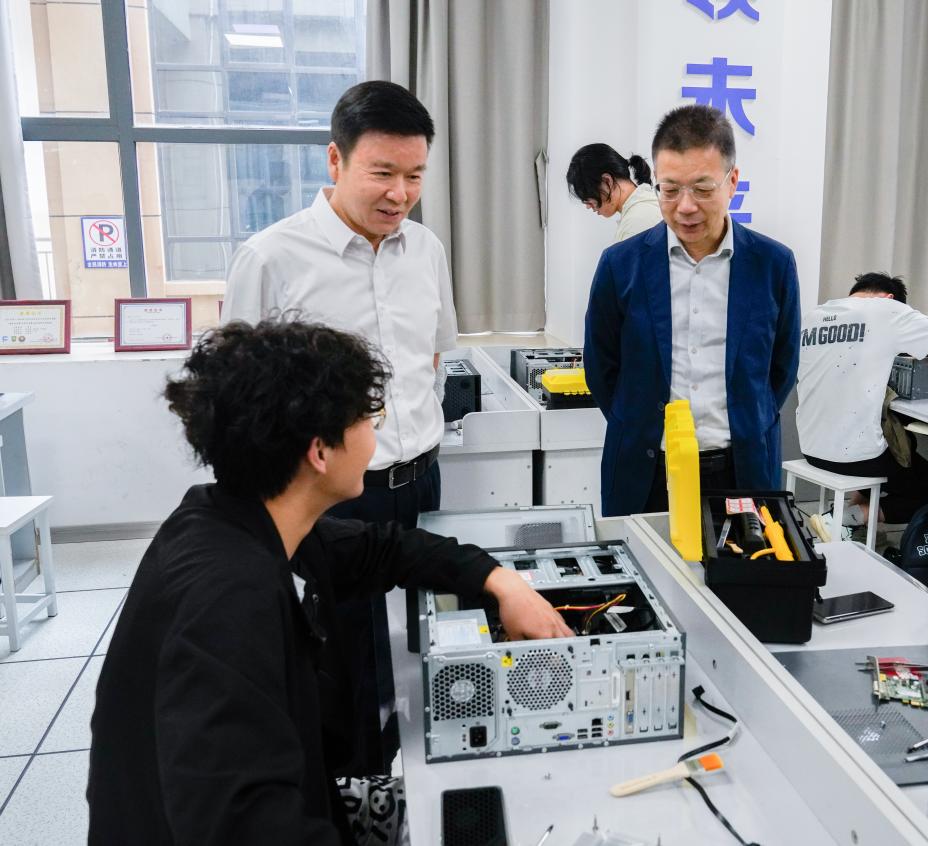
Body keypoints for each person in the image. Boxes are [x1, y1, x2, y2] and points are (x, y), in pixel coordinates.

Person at [87, 319, 570, 845]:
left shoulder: (241, 520)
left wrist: (503, 583)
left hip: (304, 795)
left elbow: (386, 547)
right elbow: (242, 824)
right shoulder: (228, 603)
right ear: (319, 452)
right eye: (369, 417)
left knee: (482, 802)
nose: (376, 434)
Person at [223, 80, 455, 771]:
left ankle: (420, 786)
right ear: (335, 159)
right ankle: (354, 795)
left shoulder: (427, 249)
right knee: (346, 665)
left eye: (414, 175)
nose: (399, 193)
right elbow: (238, 400)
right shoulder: (271, 258)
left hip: (422, 481)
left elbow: (433, 357)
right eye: (381, 173)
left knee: (431, 646)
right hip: (332, 502)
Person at [583, 105, 801, 516]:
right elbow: (601, 368)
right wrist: (638, 424)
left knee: (747, 560)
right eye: (669, 189)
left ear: (732, 181)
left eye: (702, 189)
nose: (685, 206)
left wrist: (748, 423)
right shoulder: (620, 266)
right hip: (646, 473)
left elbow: (781, 369)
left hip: (742, 471)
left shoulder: (773, 265)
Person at [795, 272, 928, 525]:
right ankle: (850, 518)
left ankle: (848, 519)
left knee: (885, 447)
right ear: (890, 298)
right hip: (857, 458)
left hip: (811, 448)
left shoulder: (813, 315)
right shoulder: (886, 309)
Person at [566, 142, 663, 242]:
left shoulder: (638, 220)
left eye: (587, 194)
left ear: (607, 181)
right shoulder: (642, 209)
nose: (588, 206)